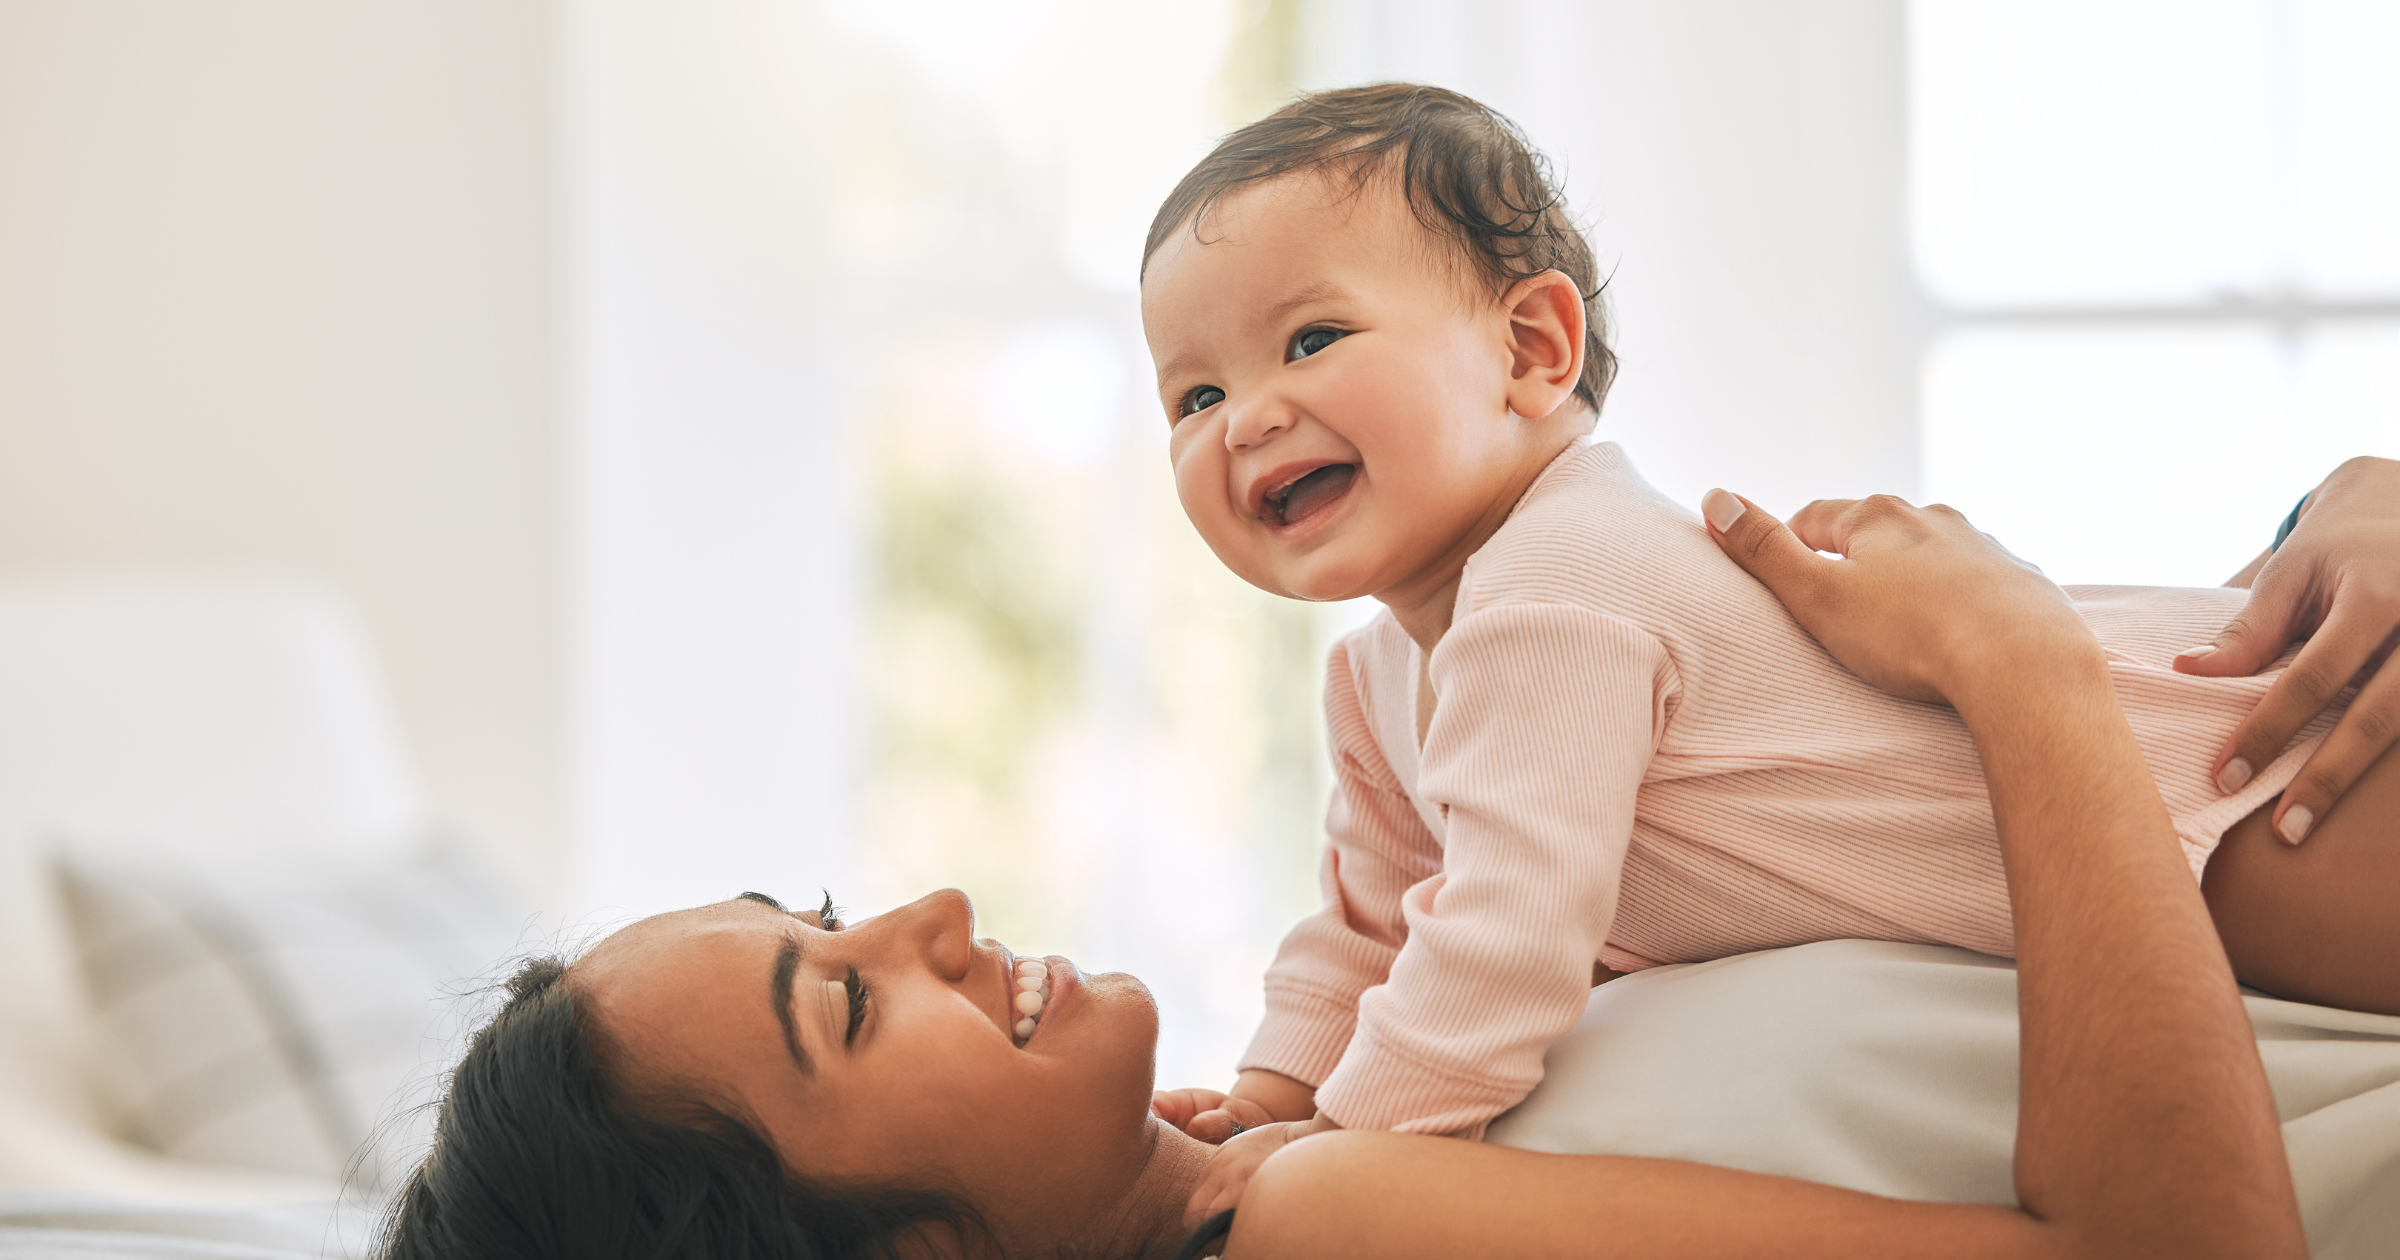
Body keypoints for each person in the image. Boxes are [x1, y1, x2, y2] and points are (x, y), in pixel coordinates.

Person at [377, 492, 2316, 1259]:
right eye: (849, 998)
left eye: (824, 915)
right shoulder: (1321, 1224)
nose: (929, 912)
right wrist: (2021, 679)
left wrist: (2324, 529)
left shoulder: (1305, 1143)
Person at [1135, 86, 2400, 1192]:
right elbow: (1369, 927)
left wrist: (1343, 1146)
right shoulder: (1377, 678)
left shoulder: (1558, 582)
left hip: (2237, 784)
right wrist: (1270, 1094)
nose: (1245, 419)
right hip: (2141, 838)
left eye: (1312, 339)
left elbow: (1502, 942)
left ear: (1532, 349)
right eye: (1197, 394)